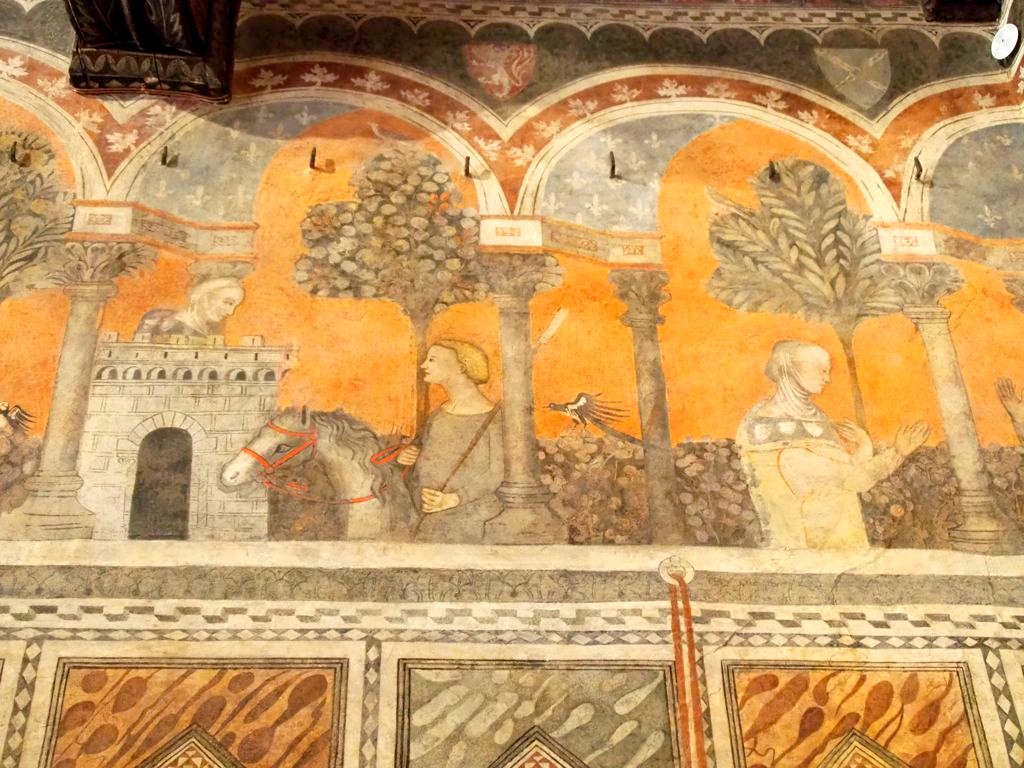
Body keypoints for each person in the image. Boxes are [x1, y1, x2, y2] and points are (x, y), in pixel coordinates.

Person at [737, 340, 930, 549]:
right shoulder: (766, 428)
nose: (828, 379)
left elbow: (841, 471)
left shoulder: (816, 417)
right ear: (792, 369)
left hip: (840, 542)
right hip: (805, 551)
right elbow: (853, 479)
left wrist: (864, 446)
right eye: (822, 371)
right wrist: (896, 454)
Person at [397, 340, 504, 543]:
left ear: (461, 367)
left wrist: (452, 499)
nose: (424, 365)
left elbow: (496, 472)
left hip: (469, 520)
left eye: (432, 360)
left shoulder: (493, 418)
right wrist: (407, 456)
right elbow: (420, 451)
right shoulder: (439, 415)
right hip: (423, 516)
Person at [135, 276, 245, 340]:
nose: (230, 312)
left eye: (234, 306)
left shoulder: (211, 333)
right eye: (228, 302)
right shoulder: (159, 321)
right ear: (205, 296)